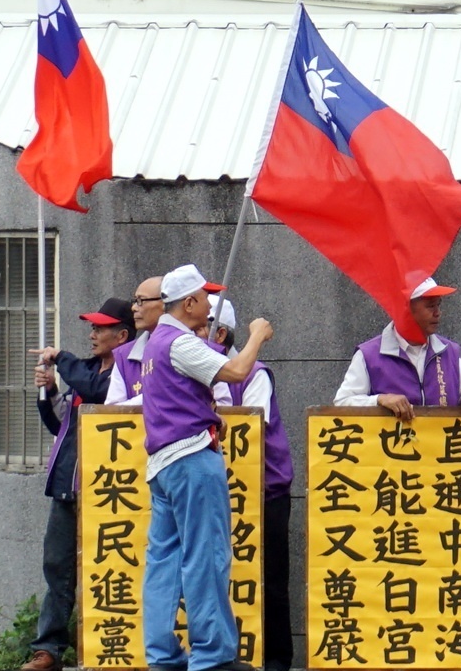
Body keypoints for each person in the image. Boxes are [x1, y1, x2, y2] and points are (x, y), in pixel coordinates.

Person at [141, 263, 273, 671]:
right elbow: (235, 370)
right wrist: (256, 336)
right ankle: (212, 655)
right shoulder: (179, 342)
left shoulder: (155, 342)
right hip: (192, 458)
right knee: (206, 554)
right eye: (205, 297)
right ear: (191, 302)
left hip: (162, 464)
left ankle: (162, 655)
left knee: (163, 559)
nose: (211, 305)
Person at [24, 297, 135, 671]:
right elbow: (63, 427)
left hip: (111, 491)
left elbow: (98, 392)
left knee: (110, 568)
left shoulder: (127, 372)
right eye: (92, 327)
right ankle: (48, 648)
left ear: (122, 335)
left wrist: (61, 358)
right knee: (57, 566)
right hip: (69, 482)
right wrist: (51, 393)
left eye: (101, 328)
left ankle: (112, 647)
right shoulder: (83, 371)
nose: (93, 334)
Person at [199, 295, 295, 671]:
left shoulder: (256, 373)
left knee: (270, 578)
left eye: (199, 329)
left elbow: (253, 421)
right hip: (215, 490)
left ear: (220, 334)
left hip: (263, 491)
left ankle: (275, 659)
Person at [333, 277, 461, 419]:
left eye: (438, 305)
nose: (438, 313)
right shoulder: (369, 354)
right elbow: (342, 402)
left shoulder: (448, 352)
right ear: (406, 310)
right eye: (430, 306)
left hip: (439, 447)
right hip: (392, 448)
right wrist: (379, 400)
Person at [106, 275, 164, 404]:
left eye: (141, 301)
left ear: (166, 303)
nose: (134, 307)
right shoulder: (124, 356)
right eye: (135, 301)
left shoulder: (195, 347)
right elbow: (112, 412)